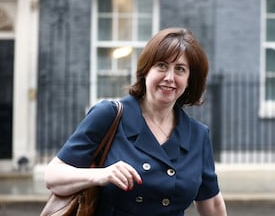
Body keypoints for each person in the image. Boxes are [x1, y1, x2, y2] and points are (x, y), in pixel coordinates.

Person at [44, 27, 227, 216]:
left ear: (189, 80)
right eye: (162, 66)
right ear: (146, 70)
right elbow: (53, 176)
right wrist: (101, 175)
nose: (169, 78)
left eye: (180, 69)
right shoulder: (109, 115)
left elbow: (212, 202)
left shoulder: (197, 135)